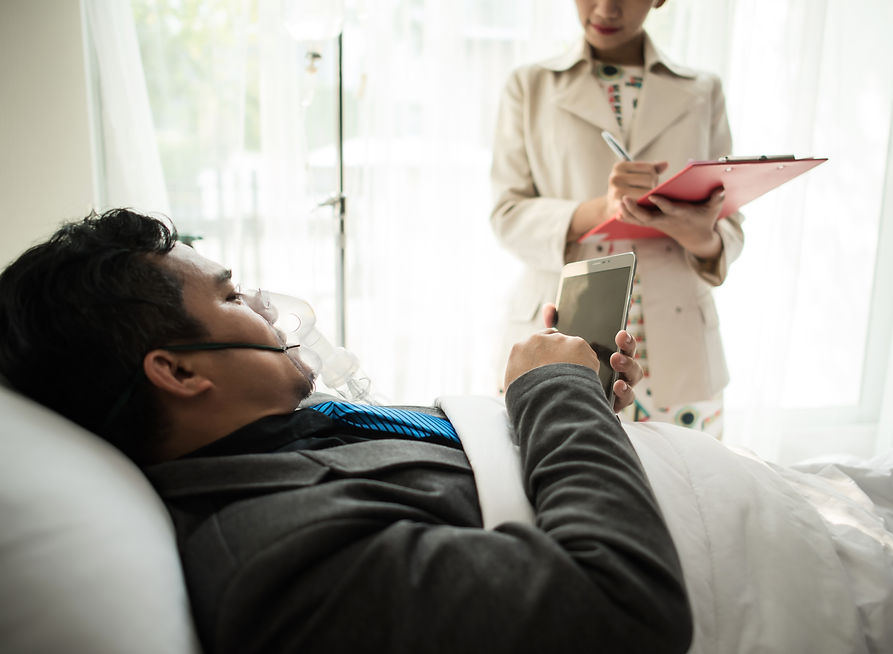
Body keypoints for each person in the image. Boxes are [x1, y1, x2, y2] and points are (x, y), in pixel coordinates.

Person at [0, 208, 692, 653]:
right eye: (234, 297)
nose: (268, 305)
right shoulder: (283, 560)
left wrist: (570, 410)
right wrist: (556, 395)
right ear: (179, 372)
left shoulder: (306, 431)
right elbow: (621, 610)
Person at [490, 0, 743, 436]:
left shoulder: (704, 91)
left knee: (688, 492)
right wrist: (601, 210)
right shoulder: (529, 86)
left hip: (679, 343)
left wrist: (701, 235)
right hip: (562, 332)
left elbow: (730, 228)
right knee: (556, 479)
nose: (606, 8)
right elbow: (508, 216)